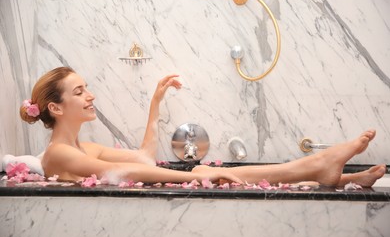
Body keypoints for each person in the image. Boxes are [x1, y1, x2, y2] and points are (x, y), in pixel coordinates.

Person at [20, 67, 386, 187]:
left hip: (160, 178)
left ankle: (341, 177)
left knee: (203, 169)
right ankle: (322, 169)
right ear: (55, 107)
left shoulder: (84, 149)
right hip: (162, 197)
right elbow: (123, 172)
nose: (91, 96)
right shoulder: (60, 154)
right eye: (80, 92)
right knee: (203, 171)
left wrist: (155, 104)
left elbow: (144, 159)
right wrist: (203, 179)